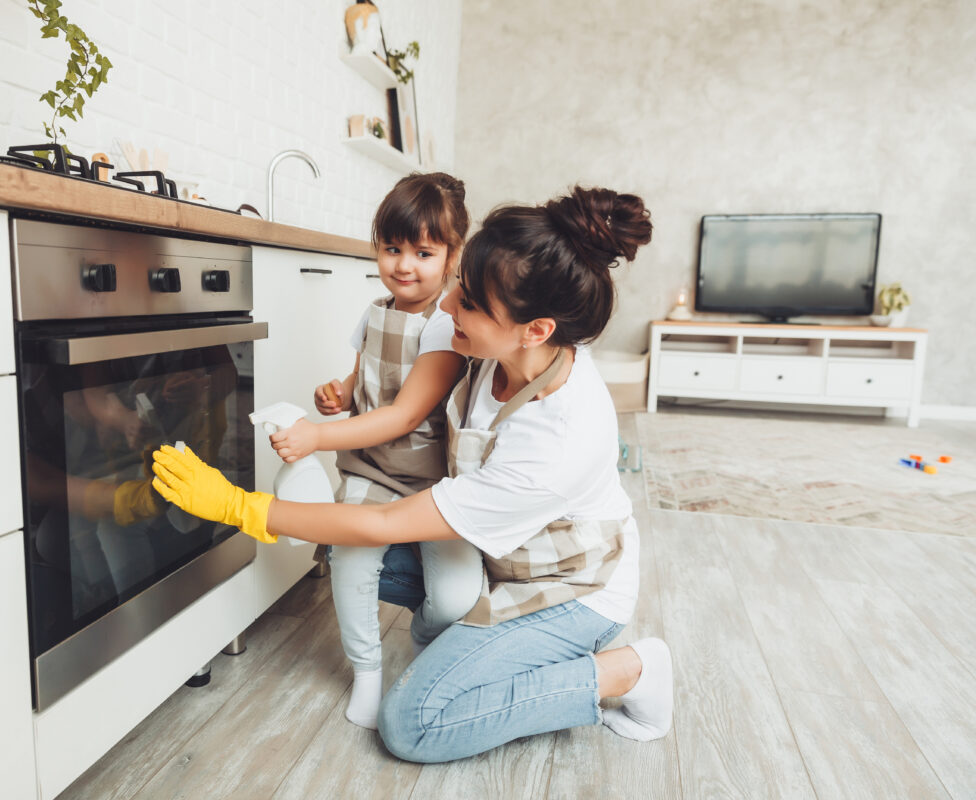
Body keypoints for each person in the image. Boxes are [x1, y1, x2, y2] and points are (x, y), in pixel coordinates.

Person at [151, 184, 674, 762]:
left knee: (412, 725)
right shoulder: (498, 349)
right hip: (498, 557)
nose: (446, 306)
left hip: (569, 591)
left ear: (537, 330)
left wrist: (238, 507)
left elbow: (389, 522)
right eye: (460, 286)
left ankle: (630, 671)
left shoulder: (559, 439)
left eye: (468, 301)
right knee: (340, 551)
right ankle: (482, 646)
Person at [268, 171, 484, 729]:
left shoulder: (446, 327)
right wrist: (338, 393)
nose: (404, 265)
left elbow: (405, 414)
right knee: (351, 559)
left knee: (457, 597)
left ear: (452, 256)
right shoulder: (375, 311)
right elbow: (366, 382)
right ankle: (366, 669)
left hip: (433, 481)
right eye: (392, 249)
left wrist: (315, 436)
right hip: (372, 470)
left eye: (423, 252)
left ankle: (424, 637)